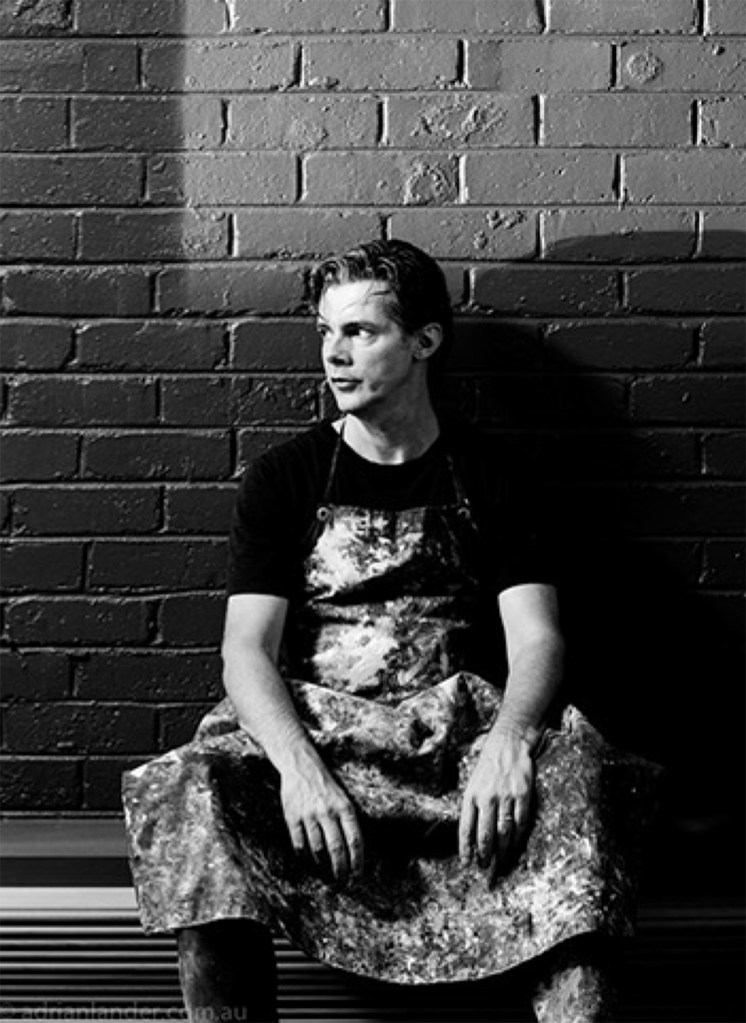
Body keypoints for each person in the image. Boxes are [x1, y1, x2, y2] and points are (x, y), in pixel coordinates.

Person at [123, 239, 659, 1021]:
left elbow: (537, 638)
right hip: (326, 737)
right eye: (325, 332)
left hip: (454, 744)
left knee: (585, 772)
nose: (333, 354)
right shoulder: (284, 478)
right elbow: (245, 651)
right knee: (194, 782)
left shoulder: (493, 474)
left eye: (360, 332)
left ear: (424, 341)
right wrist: (299, 769)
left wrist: (511, 741)